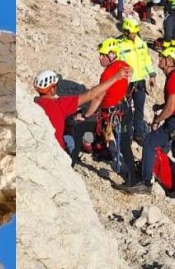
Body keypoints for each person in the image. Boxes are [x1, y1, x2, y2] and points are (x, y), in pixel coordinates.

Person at [121, 47, 175, 200]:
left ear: (169, 61)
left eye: (162, 57)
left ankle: (145, 182)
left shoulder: (173, 78)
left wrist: (157, 119)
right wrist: (161, 106)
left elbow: (172, 106)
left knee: (149, 142)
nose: (159, 58)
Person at [33, 66, 129, 155]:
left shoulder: (34, 103)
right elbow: (90, 95)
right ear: (52, 89)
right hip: (57, 148)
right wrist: (116, 77)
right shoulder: (60, 104)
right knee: (70, 140)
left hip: (40, 145)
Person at [82, 38, 135, 182]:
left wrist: (86, 115)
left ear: (111, 55)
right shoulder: (123, 66)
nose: (100, 57)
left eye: (102, 55)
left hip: (113, 113)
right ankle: (131, 173)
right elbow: (131, 70)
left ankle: (132, 178)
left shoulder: (107, 74)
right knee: (124, 142)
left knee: (122, 143)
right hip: (124, 108)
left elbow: (98, 98)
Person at [117, 17, 156, 142]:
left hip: (140, 82)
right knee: (126, 110)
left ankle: (138, 134)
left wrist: (152, 74)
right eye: (132, 33)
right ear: (126, 32)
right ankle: (127, 134)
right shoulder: (119, 45)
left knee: (139, 109)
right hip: (126, 83)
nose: (134, 35)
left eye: (135, 33)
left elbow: (147, 60)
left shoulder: (141, 43)